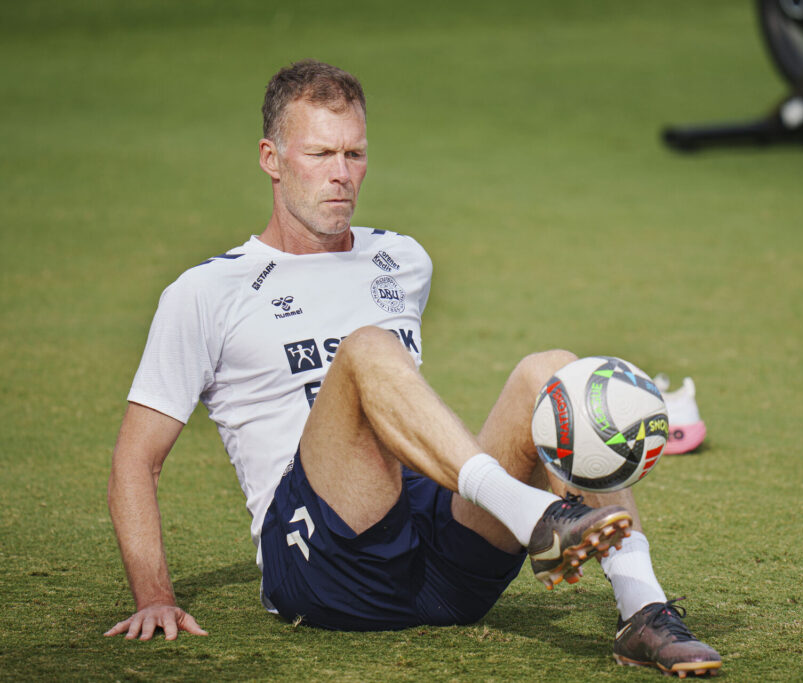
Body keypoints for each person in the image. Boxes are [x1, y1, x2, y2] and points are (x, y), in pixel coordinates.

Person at [104, 59, 721, 678]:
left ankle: (643, 610)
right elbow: (138, 458)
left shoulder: (400, 259)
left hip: (438, 559)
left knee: (556, 373)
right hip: (322, 563)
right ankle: (532, 513)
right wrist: (154, 596)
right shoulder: (209, 290)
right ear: (272, 158)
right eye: (320, 154)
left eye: (355, 153)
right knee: (367, 348)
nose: (341, 175)